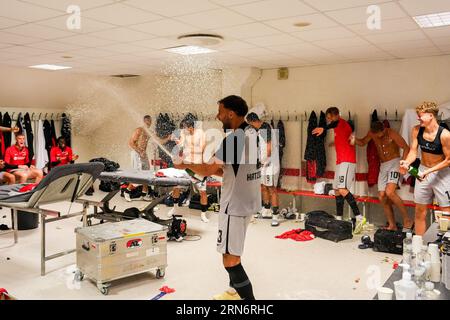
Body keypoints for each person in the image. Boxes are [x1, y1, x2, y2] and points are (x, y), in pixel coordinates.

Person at [174, 95, 260, 300]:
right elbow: (230, 171)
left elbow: (206, 169)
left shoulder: (233, 139)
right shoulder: (253, 133)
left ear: (231, 113)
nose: (218, 116)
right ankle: (232, 292)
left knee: (230, 260)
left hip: (234, 206)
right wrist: (198, 169)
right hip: (248, 202)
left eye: (220, 112)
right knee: (234, 250)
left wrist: (184, 164)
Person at [312, 107, 366, 234]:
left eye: (330, 117)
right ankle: (339, 218)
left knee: (342, 189)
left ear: (336, 115)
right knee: (336, 191)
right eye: (327, 118)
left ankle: (359, 217)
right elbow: (341, 137)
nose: (328, 120)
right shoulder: (338, 127)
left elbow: (335, 124)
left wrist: (323, 128)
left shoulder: (342, 123)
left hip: (347, 162)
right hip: (340, 162)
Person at [400, 102, 450, 235]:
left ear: (431, 116)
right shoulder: (417, 130)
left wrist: (428, 172)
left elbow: (448, 160)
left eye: (421, 116)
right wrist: (407, 162)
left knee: (446, 214)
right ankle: (419, 246)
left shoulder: (445, 135)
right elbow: (413, 152)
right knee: (419, 210)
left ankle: (444, 247)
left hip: (442, 173)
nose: (418, 118)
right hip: (422, 170)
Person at [354, 121, 413, 231]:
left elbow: (406, 148)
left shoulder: (392, 133)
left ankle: (407, 219)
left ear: (384, 129)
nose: (378, 137)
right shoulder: (372, 133)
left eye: (380, 135)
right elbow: (362, 142)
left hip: (395, 162)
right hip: (383, 165)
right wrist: (353, 139)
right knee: (381, 195)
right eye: (376, 136)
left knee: (390, 192)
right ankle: (392, 225)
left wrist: (403, 165)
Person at [246, 112, 281, 227]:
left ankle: (275, 216)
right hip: (264, 163)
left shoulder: (265, 128)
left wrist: (261, 161)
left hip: (271, 163)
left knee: (272, 189)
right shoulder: (259, 129)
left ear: (253, 122)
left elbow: (269, 149)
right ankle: (266, 211)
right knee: (263, 187)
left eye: (250, 124)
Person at [174, 113, 210, 222]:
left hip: (197, 167)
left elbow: (202, 149)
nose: (185, 129)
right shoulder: (183, 132)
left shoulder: (201, 133)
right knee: (176, 187)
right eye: (184, 127)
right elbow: (180, 145)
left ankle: (203, 214)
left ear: (192, 127)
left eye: (186, 127)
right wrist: (178, 142)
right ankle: (175, 209)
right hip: (185, 166)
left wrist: (190, 149)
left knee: (202, 192)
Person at [126, 115, 153, 202]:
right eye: (147, 121)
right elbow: (130, 143)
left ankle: (144, 194)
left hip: (144, 154)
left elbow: (158, 140)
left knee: (146, 173)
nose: (149, 123)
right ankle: (127, 191)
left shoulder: (149, 132)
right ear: (144, 121)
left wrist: (168, 138)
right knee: (138, 175)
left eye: (150, 121)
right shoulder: (139, 130)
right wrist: (140, 151)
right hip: (136, 154)